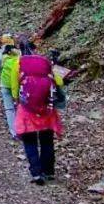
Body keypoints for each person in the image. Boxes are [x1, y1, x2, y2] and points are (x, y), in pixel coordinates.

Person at [9, 38, 64, 185]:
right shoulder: (44, 62)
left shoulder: (17, 63)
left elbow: (14, 86)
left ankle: (36, 173)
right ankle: (49, 171)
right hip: (46, 108)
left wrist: (17, 100)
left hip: (27, 109)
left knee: (30, 140)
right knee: (47, 139)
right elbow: (59, 81)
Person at [0, 34, 20, 137]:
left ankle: (14, 132)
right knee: (19, 106)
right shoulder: (19, 52)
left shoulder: (0, 53)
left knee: (9, 108)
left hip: (5, 84)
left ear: (2, 42)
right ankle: (22, 128)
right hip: (18, 83)